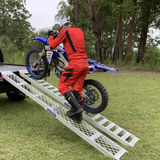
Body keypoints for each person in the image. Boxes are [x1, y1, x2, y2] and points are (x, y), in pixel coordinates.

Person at [48, 18, 89, 124]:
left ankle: (76, 108)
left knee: (62, 86)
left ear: (62, 26)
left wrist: (52, 36)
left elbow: (52, 46)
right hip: (85, 63)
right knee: (76, 90)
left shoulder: (64, 31)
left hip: (76, 63)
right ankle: (78, 117)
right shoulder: (79, 30)